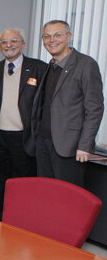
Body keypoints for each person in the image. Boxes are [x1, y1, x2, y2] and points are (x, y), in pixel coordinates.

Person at [31, 20, 104, 188]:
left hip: (70, 148)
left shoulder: (86, 65)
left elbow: (95, 109)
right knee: (46, 194)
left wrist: (84, 146)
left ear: (69, 37)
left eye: (58, 35)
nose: (52, 40)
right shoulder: (51, 66)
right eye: (47, 36)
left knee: (68, 199)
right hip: (43, 144)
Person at [0, 28, 46, 219]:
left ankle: (20, 220)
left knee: (22, 182)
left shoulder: (39, 68)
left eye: (14, 41)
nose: (8, 45)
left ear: (23, 44)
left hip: (24, 137)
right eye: (4, 42)